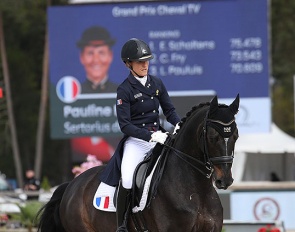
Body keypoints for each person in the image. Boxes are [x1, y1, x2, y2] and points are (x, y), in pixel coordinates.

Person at [100, 38, 180, 232]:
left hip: (159, 137)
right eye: (140, 62)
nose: (145, 65)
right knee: (127, 179)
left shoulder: (156, 83)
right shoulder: (124, 90)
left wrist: (178, 124)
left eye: (147, 61)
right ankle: (122, 225)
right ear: (129, 64)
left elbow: (169, 110)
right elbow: (125, 125)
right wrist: (150, 137)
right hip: (137, 141)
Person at [76, 25, 117, 93]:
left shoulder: (123, 93)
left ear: (110, 56)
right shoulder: (74, 94)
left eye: (101, 53)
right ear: (82, 57)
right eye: (90, 53)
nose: (96, 60)